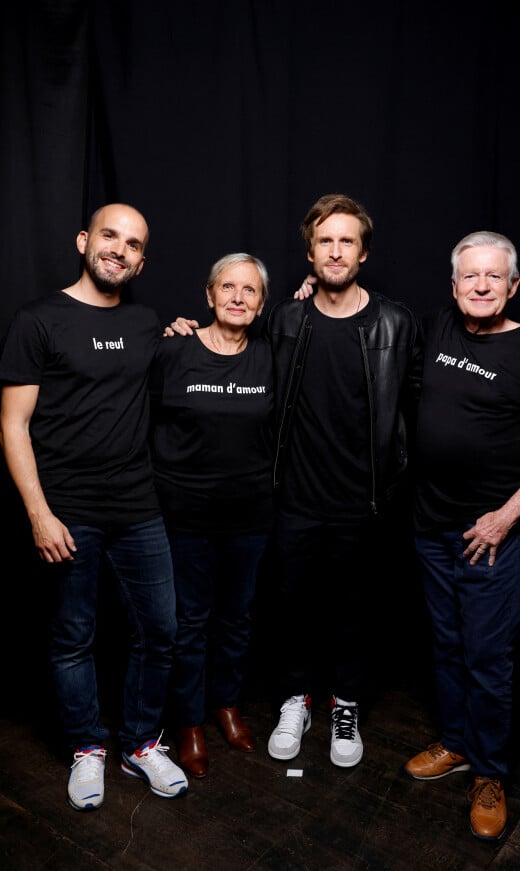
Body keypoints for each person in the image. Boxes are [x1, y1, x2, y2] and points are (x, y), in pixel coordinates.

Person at [0, 204, 188, 811]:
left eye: (133, 244)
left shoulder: (145, 321)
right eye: (110, 236)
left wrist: (182, 334)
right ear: (85, 241)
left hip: (138, 507)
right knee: (73, 637)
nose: (119, 250)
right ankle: (87, 748)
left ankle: (140, 742)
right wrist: (38, 514)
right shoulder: (38, 319)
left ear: (140, 261)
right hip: (68, 511)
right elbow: (13, 425)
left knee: (160, 631)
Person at [403, 231, 520, 840]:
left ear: (513, 284)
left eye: (493, 277)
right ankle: (455, 742)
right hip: (431, 526)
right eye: (470, 277)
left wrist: (506, 516)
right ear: (453, 286)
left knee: (487, 656)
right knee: (448, 646)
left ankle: (490, 772)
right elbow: (364, 326)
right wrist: (310, 289)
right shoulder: (435, 331)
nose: (481, 286)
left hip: (492, 536)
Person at [264, 193, 422, 768]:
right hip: (295, 498)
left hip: (364, 500)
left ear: (362, 253)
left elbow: (418, 406)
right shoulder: (284, 317)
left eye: (346, 241)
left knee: (355, 609)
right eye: (325, 240)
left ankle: (345, 704)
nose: (335, 251)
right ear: (310, 253)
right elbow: (232, 353)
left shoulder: (396, 322)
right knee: (291, 606)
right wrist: (183, 330)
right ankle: (296, 699)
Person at [150, 252, 273, 779]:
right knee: (191, 621)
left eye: (249, 290)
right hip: (185, 515)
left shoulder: (272, 355)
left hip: (250, 516)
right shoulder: (173, 351)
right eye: (228, 287)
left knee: (238, 617)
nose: (238, 297)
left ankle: (227, 705)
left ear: (262, 302)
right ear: (208, 295)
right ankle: (189, 722)